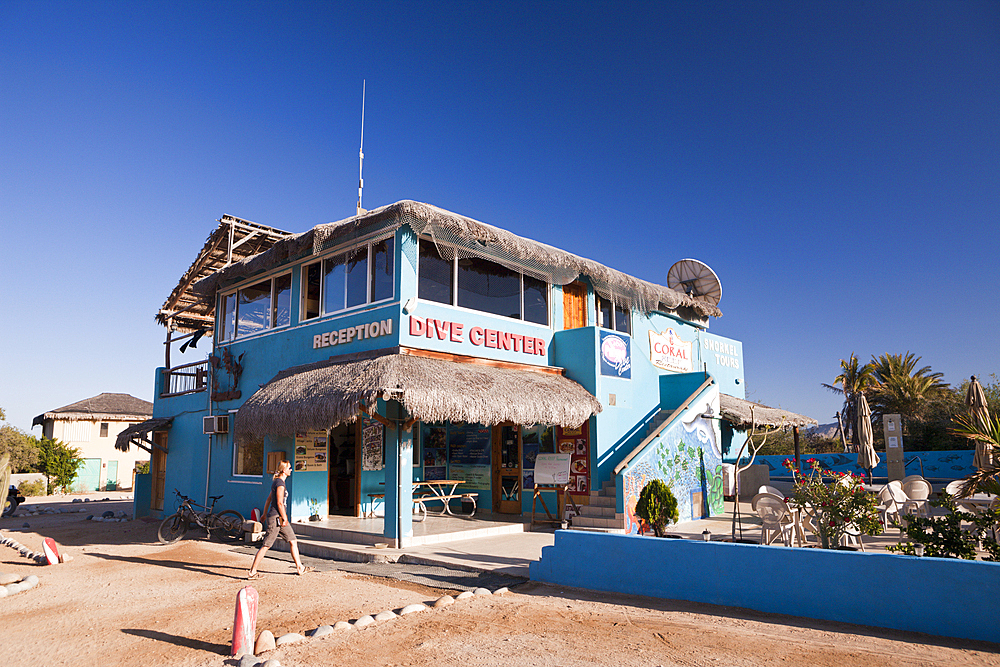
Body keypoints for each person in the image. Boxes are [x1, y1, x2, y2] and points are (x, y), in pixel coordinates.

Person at [247, 459, 313, 579]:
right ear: (284, 470)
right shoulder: (280, 484)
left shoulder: (277, 482)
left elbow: (268, 500)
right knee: (266, 545)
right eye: (289, 468)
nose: (291, 470)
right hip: (276, 518)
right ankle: (252, 571)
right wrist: (284, 517)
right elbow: (279, 503)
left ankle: (300, 568)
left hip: (278, 518)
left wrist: (264, 514)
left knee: (293, 540)